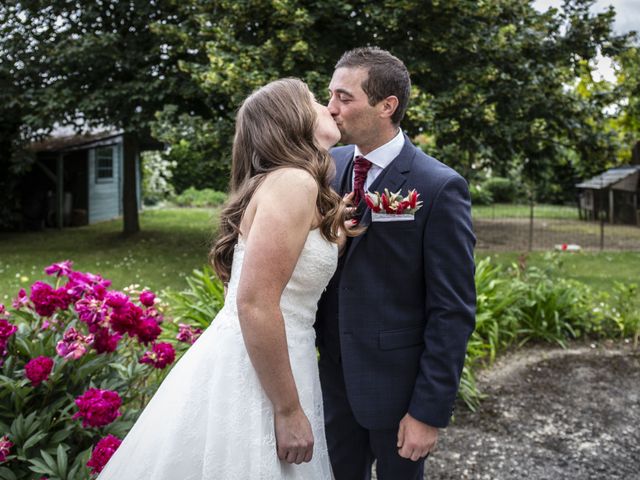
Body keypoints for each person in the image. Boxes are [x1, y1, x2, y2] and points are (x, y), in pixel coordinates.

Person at [99, 78, 349, 479]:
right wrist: (286, 409)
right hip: (259, 370)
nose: (329, 107)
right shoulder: (292, 182)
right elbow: (254, 303)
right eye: (316, 100)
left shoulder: (297, 183)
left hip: (284, 355)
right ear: (293, 118)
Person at [315, 47, 476, 479]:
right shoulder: (326, 168)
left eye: (344, 98)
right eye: (331, 95)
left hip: (398, 394)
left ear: (387, 106)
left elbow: (453, 309)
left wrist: (427, 412)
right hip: (330, 381)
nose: (331, 108)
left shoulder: (438, 186)